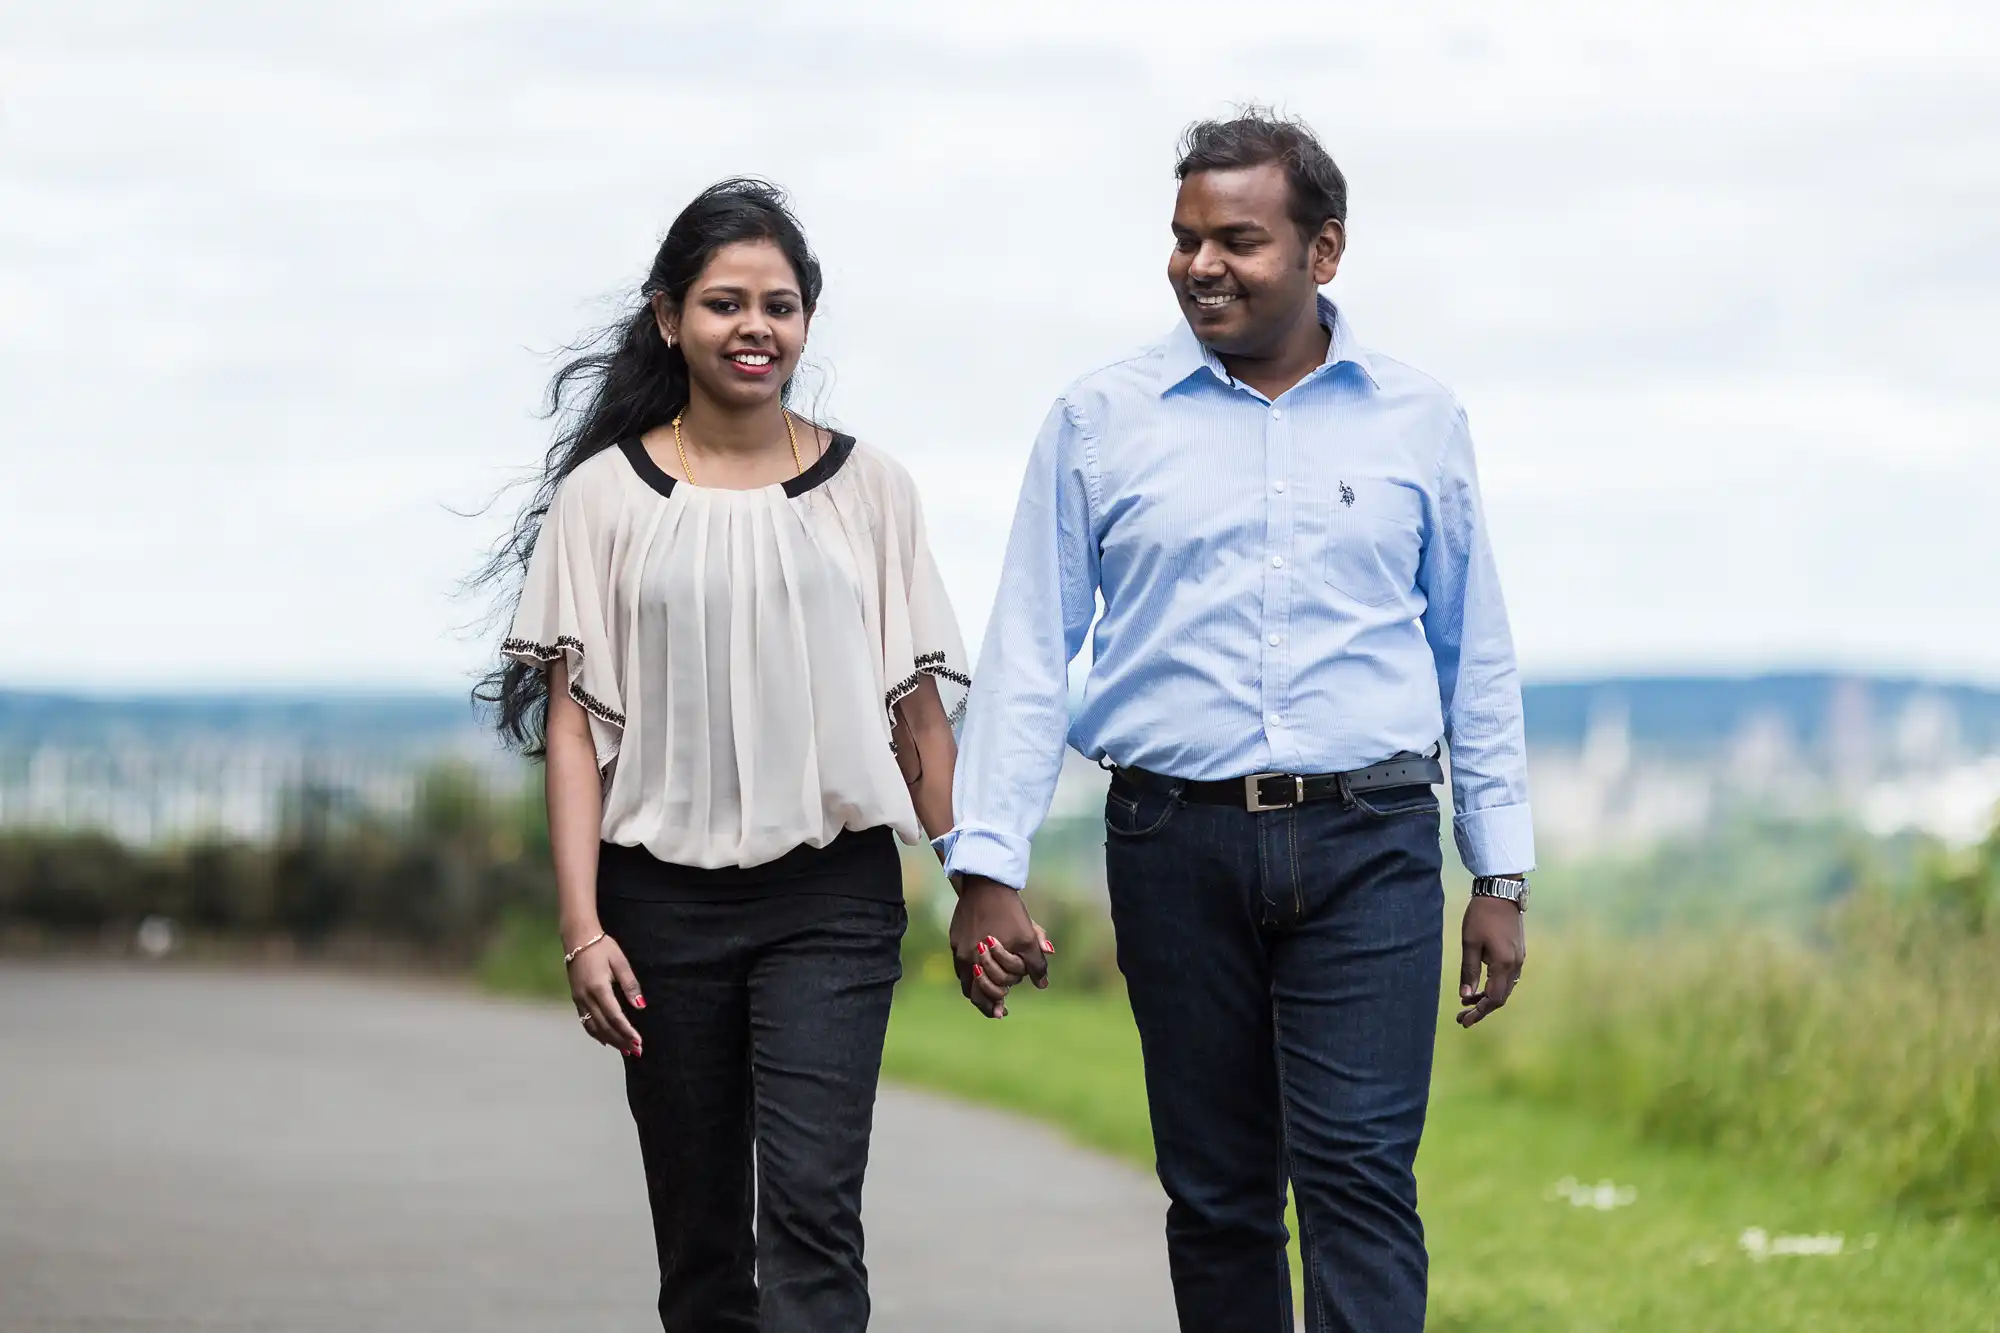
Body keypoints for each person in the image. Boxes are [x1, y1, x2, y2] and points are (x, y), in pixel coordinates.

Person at [939, 112, 1535, 1333]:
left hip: (1368, 839)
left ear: (1324, 252)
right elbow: (1027, 653)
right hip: (1171, 843)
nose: (1199, 264)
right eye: (1182, 239)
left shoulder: (1419, 420)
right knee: (1214, 1198)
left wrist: (1500, 871)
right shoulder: (1099, 419)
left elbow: (1470, 651)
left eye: (1237, 240)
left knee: (1359, 1181)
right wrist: (984, 865)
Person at [476, 178, 992, 1332]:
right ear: (669, 318)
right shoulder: (604, 499)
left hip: (830, 898)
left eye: (780, 304)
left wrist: (979, 885)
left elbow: (917, 723)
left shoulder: (871, 489)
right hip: (659, 910)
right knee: (702, 1244)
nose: (754, 326)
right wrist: (582, 927)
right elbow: (573, 729)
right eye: (723, 303)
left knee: (812, 1220)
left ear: (806, 320)